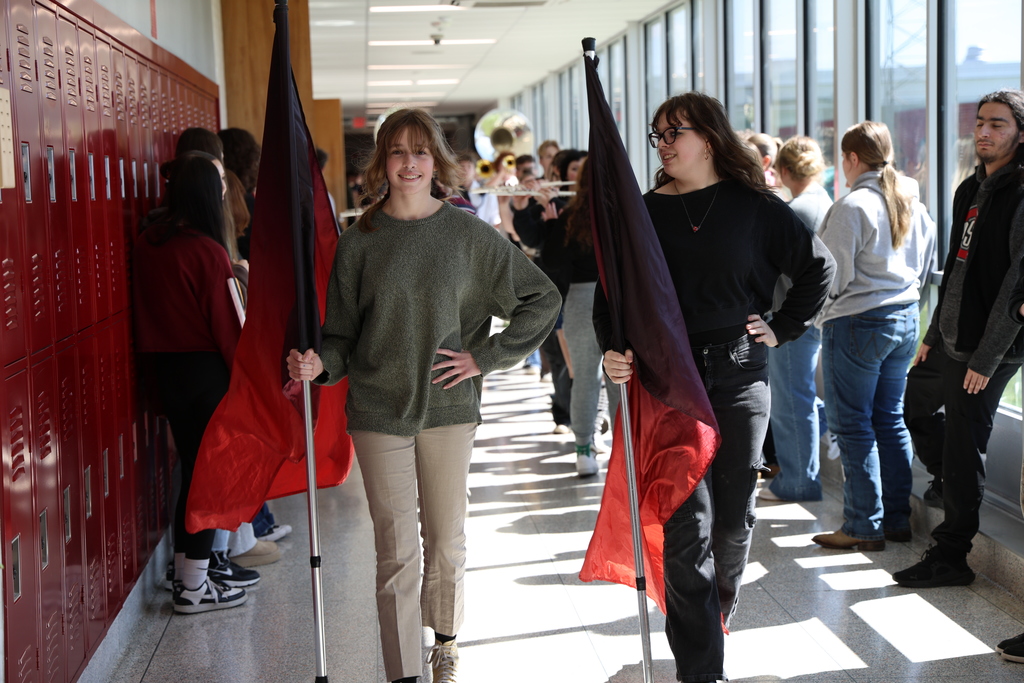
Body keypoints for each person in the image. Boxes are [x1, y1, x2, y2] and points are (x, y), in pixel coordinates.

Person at [286, 108, 560, 683]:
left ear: (436, 160)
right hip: (378, 408)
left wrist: (482, 358)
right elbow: (340, 337)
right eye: (396, 151)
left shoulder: (467, 235)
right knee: (394, 549)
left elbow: (542, 299)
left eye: (419, 151)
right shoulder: (360, 241)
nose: (408, 163)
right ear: (381, 162)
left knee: (445, 540)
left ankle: (445, 642)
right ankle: (402, 671)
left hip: (448, 408)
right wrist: (319, 363)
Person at [600, 92, 835, 683]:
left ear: (707, 136)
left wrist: (782, 328)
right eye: (656, 135)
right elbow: (614, 296)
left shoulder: (753, 206)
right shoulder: (643, 212)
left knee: (731, 523)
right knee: (687, 528)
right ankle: (701, 671)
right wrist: (612, 349)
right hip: (668, 383)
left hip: (737, 379)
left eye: (672, 132)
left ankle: (711, 619)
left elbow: (817, 267)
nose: (663, 144)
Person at [895, 89, 1024, 588]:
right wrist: (932, 333)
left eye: (997, 124)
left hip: (990, 349)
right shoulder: (970, 188)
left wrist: (987, 359)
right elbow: (955, 268)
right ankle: (950, 481)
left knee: (964, 445)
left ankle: (952, 555)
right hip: (950, 338)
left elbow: (1017, 286)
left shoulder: (1019, 193)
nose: (984, 132)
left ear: (1019, 133)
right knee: (913, 405)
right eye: (979, 123)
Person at [810, 121, 937, 552]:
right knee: (890, 419)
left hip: (859, 324)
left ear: (851, 158)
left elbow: (831, 276)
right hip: (903, 321)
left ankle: (864, 525)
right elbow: (922, 270)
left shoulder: (853, 206)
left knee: (853, 425)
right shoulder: (913, 205)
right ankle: (897, 520)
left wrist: (816, 319)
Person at [134, 154, 251, 614]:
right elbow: (227, 327)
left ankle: (188, 575)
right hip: (208, 374)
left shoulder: (149, 242)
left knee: (191, 473)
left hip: (168, 373)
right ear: (208, 194)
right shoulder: (207, 251)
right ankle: (194, 588)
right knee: (208, 482)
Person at [758, 136, 835, 503]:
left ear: (783, 170)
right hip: (814, 316)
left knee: (791, 400)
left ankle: (798, 479)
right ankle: (803, 471)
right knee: (802, 395)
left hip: (791, 317)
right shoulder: (825, 202)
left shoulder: (797, 209)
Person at [539, 158, 619, 476]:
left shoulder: (571, 216)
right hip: (616, 299)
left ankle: (584, 449)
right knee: (619, 378)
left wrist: (550, 222)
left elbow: (552, 259)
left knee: (584, 377)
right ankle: (622, 450)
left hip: (580, 300)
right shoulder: (624, 214)